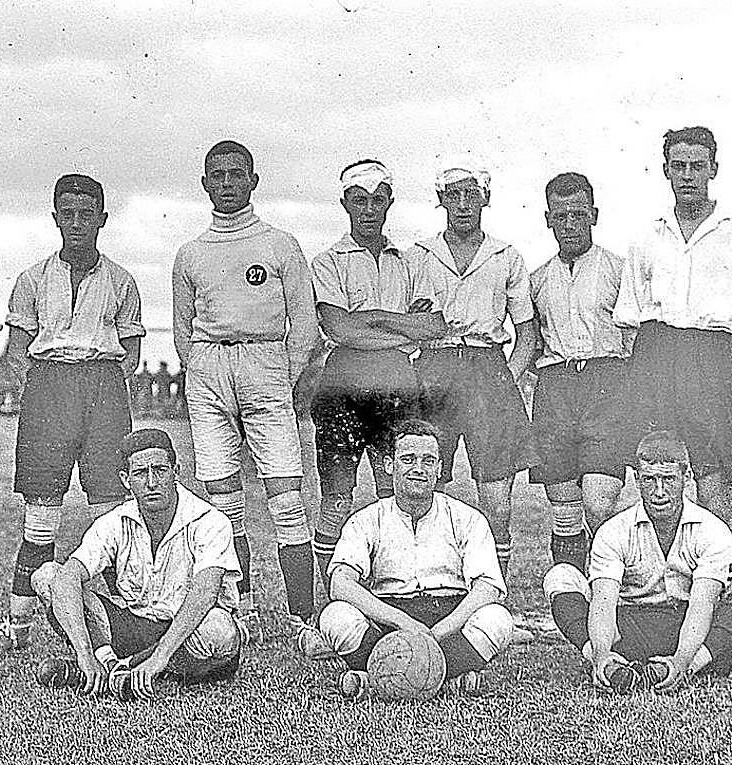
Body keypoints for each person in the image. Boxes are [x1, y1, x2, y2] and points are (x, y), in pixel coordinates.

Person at [0, 174, 144, 653]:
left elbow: (130, 354)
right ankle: (18, 627)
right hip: (49, 389)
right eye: (66, 214)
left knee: (111, 513)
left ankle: (120, 624)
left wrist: (99, 384)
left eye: (86, 214)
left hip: (103, 388)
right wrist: (52, 388)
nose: (76, 224)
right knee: (40, 515)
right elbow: (18, 352)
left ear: (102, 220)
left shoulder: (122, 281)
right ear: (54, 218)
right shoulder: (31, 279)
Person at [171, 140, 318, 642]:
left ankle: (304, 619)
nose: (228, 181)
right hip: (210, 365)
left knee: (286, 499)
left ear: (254, 181)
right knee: (223, 502)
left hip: (266, 362)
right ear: (205, 183)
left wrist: (284, 375)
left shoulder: (279, 243)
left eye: (238, 173)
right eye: (219, 174)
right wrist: (203, 372)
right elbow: (182, 327)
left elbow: (304, 324)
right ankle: (242, 608)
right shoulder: (190, 252)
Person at [613, 126, 732, 528]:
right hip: (655, 357)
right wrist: (648, 369)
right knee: (656, 475)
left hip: (712, 358)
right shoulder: (646, 237)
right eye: (679, 166)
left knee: (714, 478)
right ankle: (656, 581)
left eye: (697, 166)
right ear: (666, 171)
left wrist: (723, 374)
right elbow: (629, 322)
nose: (688, 175)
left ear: (713, 170)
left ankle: (715, 580)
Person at [308, 160, 444, 646]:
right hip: (343, 383)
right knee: (338, 496)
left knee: (397, 490)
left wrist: (368, 318)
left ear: (390, 201)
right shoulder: (327, 260)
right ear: (345, 203)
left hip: (398, 385)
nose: (369, 209)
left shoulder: (411, 260)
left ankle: (393, 592)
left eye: (378, 199)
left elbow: (431, 328)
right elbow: (338, 329)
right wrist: (396, 324)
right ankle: (331, 601)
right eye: (359, 200)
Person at [543, 431, 732, 693]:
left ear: (686, 478)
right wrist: (602, 650)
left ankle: (688, 668)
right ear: (637, 480)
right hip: (630, 631)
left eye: (669, 479)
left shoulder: (712, 529)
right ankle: (606, 664)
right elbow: (603, 602)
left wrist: (683, 659)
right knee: (560, 575)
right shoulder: (614, 530)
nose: (659, 491)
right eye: (650, 480)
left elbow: (703, 604)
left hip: (690, 631)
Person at [407, 154, 536, 598]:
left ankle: (496, 597)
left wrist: (509, 378)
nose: (463, 203)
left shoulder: (506, 255)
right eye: (454, 195)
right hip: (436, 367)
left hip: (487, 366)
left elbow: (527, 330)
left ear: (485, 199)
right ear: (441, 200)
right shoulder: (419, 254)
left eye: (471, 195)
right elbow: (406, 321)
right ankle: (425, 587)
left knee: (496, 490)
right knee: (426, 478)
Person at [32, 429, 241, 698]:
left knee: (220, 632)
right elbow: (68, 577)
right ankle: (108, 667)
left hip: (189, 633)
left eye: (160, 470)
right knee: (48, 577)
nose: (152, 481)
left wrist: (160, 656)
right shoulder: (115, 521)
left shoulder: (210, 521)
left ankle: (126, 670)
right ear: (126, 479)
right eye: (141, 473)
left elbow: (204, 593)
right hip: (135, 627)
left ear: (176, 471)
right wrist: (85, 654)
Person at [317, 419, 513, 699]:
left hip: (448, 618)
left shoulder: (466, 517)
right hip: (388, 619)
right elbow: (340, 584)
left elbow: (488, 587)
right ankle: (446, 682)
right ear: (388, 466)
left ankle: (377, 682)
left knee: (497, 619)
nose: (418, 469)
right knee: (335, 617)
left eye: (428, 460)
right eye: (408, 459)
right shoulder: (367, 519)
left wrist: (436, 633)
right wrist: (402, 623)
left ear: (440, 470)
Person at [527, 172, 633, 577]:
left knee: (599, 499)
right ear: (548, 219)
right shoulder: (536, 280)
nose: (570, 223)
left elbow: (636, 338)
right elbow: (531, 339)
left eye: (578, 214)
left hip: (607, 381)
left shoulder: (618, 271)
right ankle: (572, 589)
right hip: (555, 385)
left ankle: (610, 586)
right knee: (564, 501)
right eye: (560, 215)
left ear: (594, 215)